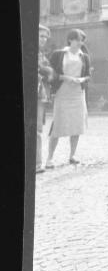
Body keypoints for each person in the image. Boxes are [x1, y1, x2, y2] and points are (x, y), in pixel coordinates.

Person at [46, 29, 91, 168]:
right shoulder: (59, 54)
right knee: (58, 125)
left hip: (77, 93)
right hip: (63, 92)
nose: (80, 43)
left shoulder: (84, 57)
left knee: (77, 124)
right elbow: (50, 72)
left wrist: (81, 79)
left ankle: (72, 155)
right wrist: (64, 77)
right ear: (70, 40)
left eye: (82, 40)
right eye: (78, 39)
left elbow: (88, 75)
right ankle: (49, 158)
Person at [36, 25, 54, 173]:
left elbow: (49, 73)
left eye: (45, 37)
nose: (44, 40)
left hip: (40, 95)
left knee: (37, 129)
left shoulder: (42, 55)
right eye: (41, 36)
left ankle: (36, 163)